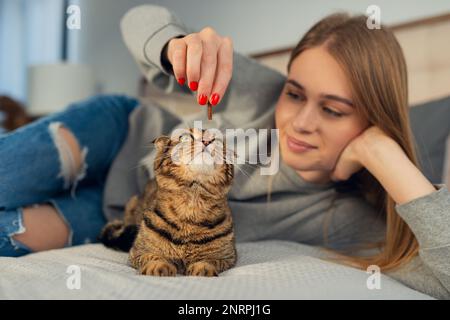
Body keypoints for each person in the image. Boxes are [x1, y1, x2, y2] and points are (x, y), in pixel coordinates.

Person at [0, 5, 449, 299]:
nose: (300, 122)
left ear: (372, 121)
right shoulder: (258, 93)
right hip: (118, 135)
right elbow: (137, 19)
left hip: (116, 218)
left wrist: (383, 154)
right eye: (295, 94)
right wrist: (177, 45)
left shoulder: (350, 222)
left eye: (333, 110)